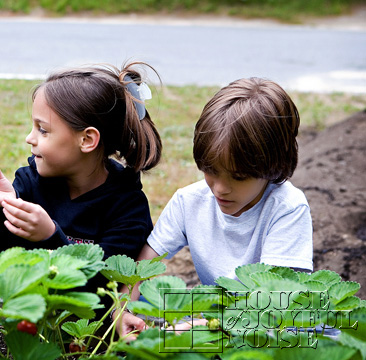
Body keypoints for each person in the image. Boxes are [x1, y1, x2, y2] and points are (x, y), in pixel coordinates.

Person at [115, 77, 313, 339]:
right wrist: (123, 310)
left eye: (238, 177)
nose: (219, 188)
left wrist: (198, 327)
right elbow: (144, 265)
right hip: (211, 313)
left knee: (306, 331)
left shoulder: (287, 208)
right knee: (148, 305)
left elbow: (277, 302)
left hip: (267, 320)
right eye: (210, 171)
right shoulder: (189, 201)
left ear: (274, 165)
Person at [0, 62, 163, 299]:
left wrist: (51, 237)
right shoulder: (28, 183)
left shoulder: (127, 207)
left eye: (43, 130)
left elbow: (101, 290)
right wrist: (4, 207)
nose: (29, 138)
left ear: (87, 139)